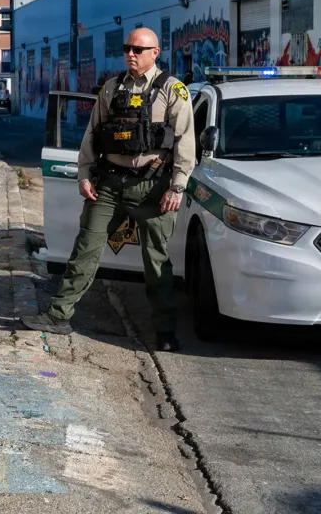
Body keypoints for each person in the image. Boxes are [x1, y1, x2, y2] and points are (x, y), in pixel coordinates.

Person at [20, 28, 196, 352]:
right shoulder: (112, 88)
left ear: (155, 52)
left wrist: (178, 186)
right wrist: (83, 175)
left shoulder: (174, 91)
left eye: (138, 49)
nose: (131, 54)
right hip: (110, 186)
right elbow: (92, 134)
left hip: (152, 189)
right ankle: (58, 316)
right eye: (127, 48)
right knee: (85, 250)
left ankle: (165, 332)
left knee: (157, 262)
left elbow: (186, 142)